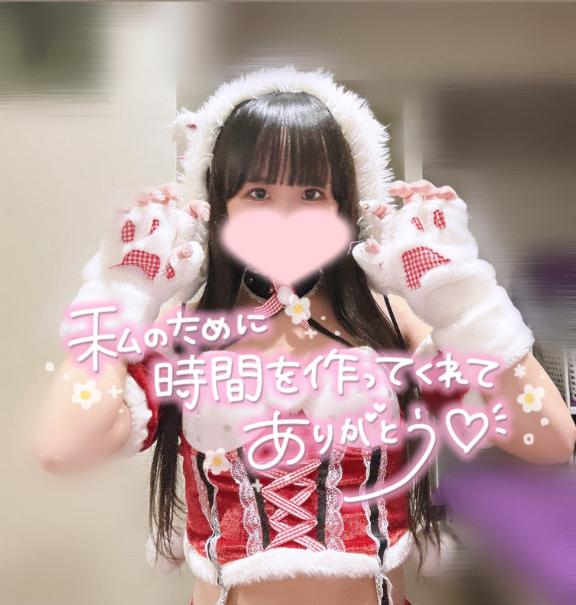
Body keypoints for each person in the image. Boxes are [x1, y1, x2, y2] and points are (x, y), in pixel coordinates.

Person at [35, 66, 576, 605]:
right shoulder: (183, 331)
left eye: (312, 192)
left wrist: (467, 302)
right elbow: (63, 446)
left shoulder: (392, 324)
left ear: (345, 205)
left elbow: (548, 439)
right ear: (221, 205)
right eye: (258, 192)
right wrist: (120, 295)